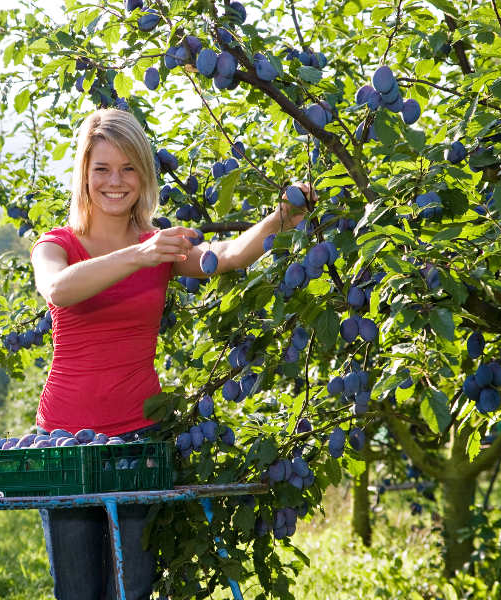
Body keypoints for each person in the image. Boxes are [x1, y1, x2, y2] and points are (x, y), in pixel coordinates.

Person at [30, 108, 306, 599]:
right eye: (102, 169)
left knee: (131, 591)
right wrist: (140, 253)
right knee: (77, 593)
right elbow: (58, 290)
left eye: (129, 168)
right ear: (83, 175)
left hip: (138, 437)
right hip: (64, 442)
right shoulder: (58, 245)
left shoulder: (159, 246)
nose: (116, 181)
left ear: (144, 174)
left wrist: (285, 215)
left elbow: (229, 255)